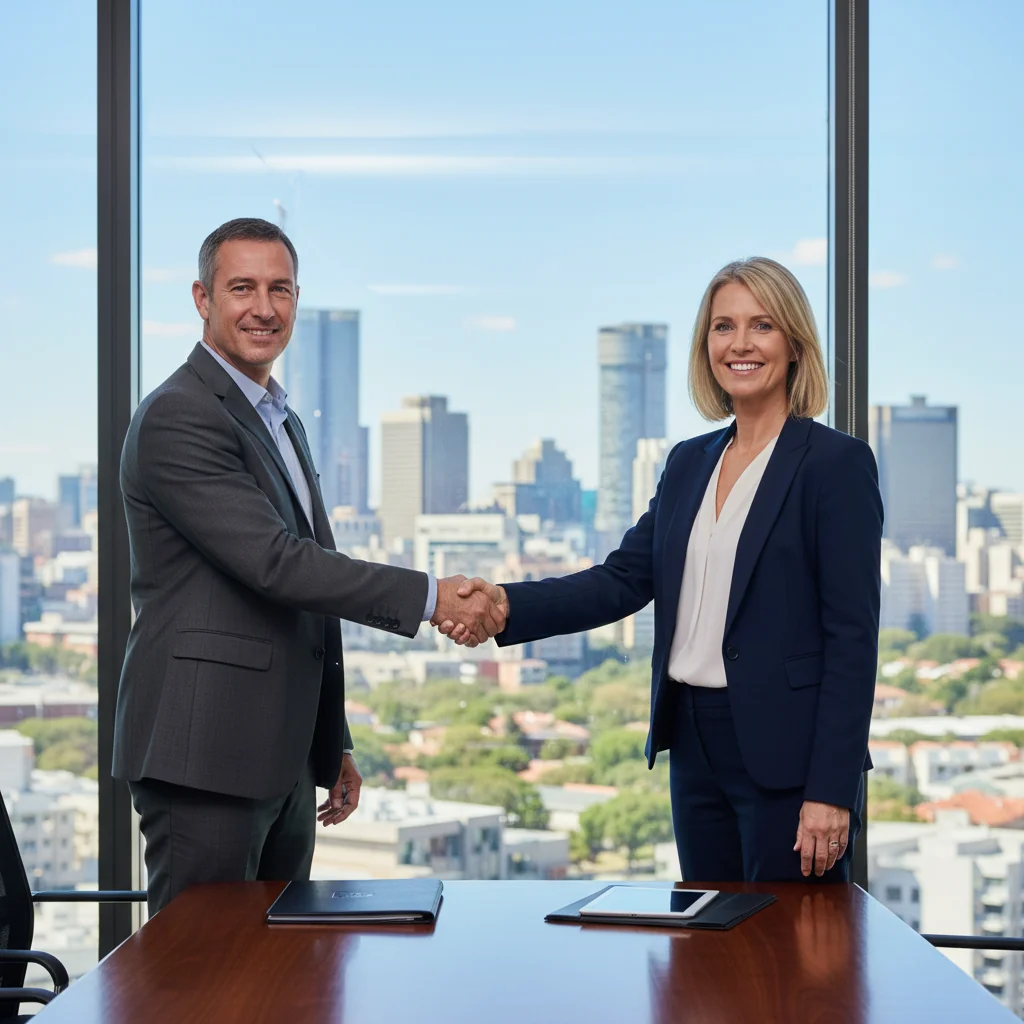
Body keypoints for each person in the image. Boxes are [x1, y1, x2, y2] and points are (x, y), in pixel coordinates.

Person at [443, 257, 882, 882]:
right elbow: (624, 578)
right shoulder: (688, 462)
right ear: (705, 346)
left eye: (761, 325)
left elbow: (852, 638)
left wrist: (832, 788)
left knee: (790, 962)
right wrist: (506, 605)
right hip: (693, 741)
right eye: (722, 326)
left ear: (793, 342)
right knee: (705, 949)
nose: (740, 344)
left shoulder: (835, 464)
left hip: (790, 752)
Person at [114, 217, 505, 914]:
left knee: (279, 978)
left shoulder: (279, 419)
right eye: (243, 288)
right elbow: (278, 565)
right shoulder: (180, 415)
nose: (264, 307)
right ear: (202, 299)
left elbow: (308, 593)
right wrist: (432, 595)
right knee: (197, 982)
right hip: (204, 759)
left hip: (282, 759)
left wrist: (332, 744)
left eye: (280, 289)